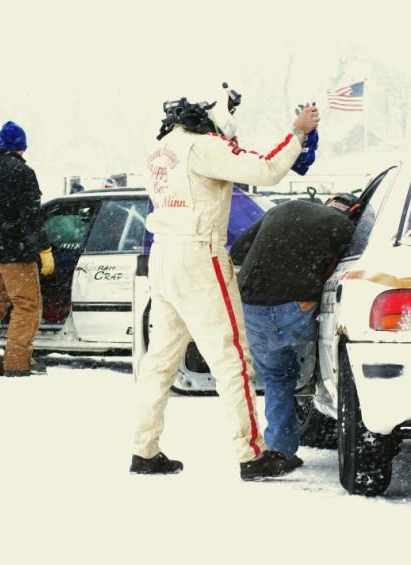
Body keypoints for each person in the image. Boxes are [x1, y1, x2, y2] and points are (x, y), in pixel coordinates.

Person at [130, 83, 320, 481]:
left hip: (163, 255)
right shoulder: (204, 147)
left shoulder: (163, 148)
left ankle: (144, 450)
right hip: (199, 255)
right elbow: (265, 169)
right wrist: (298, 133)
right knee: (232, 359)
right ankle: (252, 454)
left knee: (159, 363)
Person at [230, 193, 363, 462]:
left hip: (251, 304)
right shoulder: (344, 229)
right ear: (354, 211)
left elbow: (238, 251)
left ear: (328, 202)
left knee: (277, 376)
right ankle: (317, 418)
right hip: (296, 306)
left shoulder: (283, 209)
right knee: (311, 368)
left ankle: (280, 451)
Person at [0, 121, 55, 377]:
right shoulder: (22, 173)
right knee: (27, 305)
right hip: (16, 252)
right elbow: (31, 217)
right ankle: (17, 362)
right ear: (21, 146)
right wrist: (44, 249)